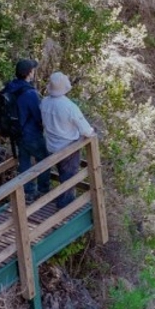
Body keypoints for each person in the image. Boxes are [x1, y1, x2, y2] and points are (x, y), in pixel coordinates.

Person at [40, 72, 96, 209]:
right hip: (68, 147)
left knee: (62, 175)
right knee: (69, 178)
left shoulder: (44, 103)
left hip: (52, 146)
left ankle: (62, 202)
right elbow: (85, 130)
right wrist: (92, 132)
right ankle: (65, 207)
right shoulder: (69, 107)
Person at [2, 58, 50, 199]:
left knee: (24, 161)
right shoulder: (30, 93)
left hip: (16, 132)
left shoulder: (10, 87)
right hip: (31, 133)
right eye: (33, 70)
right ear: (29, 73)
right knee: (44, 159)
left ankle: (28, 192)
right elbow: (38, 115)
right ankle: (43, 191)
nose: (34, 73)